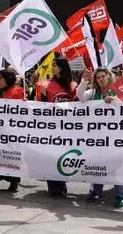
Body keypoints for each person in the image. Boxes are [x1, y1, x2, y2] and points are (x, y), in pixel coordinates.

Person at [77, 67, 123, 208]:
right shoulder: (93, 93)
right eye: (98, 77)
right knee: (98, 164)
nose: (101, 79)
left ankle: (120, 196)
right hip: (97, 137)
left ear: (109, 76)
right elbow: (80, 97)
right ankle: (97, 192)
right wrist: (83, 81)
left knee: (116, 166)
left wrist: (115, 99)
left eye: (103, 76)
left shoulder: (118, 90)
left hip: (115, 136)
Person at [44, 57, 75, 198]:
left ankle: (62, 184)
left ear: (61, 67)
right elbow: (40, 105)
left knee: (64, 157)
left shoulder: (73, 85)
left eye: (54, 65)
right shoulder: (46, 85)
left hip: (69, 128)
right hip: (52, 128)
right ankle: (55, 187)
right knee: (51, 157)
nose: (52, 68)